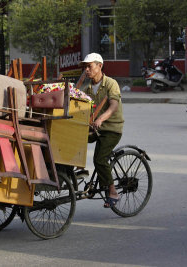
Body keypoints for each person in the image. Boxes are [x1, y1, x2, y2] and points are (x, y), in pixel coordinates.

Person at [80, 53, 124, 208]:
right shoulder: (88, 88)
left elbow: (113, 106)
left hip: (111, 129)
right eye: (85, 67)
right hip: (95, 129)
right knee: (75, 139)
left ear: (99, 66)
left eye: (89, 66)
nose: (86, 70)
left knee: (99, 159)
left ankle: (113, 192)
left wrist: (100, 119)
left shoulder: (111, 84)